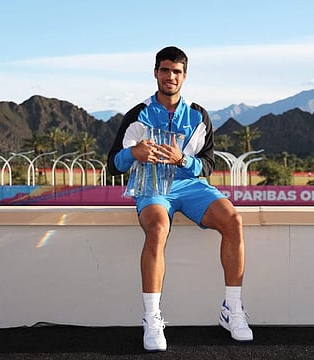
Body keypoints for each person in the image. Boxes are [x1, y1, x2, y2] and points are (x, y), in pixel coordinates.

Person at [107, 46, 253, 352]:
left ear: (184, 76)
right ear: (156, 73)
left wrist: (183, 160)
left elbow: (209, 164)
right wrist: (134, 153)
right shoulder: (138, 113)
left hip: (188, 185)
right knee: (158, 229)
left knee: (233, 220)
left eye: (176, 71)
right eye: (164, 70)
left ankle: (232, 310)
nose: (170, 76)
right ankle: (152, 317)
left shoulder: (198, 115)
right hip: (153, 187)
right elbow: (113, 163)